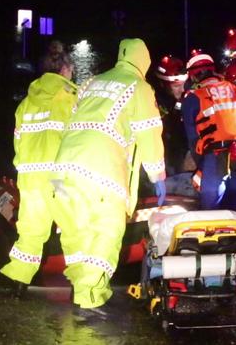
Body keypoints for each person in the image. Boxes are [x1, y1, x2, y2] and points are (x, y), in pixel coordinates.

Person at [52, 38, 166, 310]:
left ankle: (81, 288)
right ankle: (89, 298)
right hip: (100, 169)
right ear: (144, 62)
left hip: (62, 168)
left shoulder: (92, 82)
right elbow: (149, 134)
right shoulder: (139, 87)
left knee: (75, 230)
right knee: (106, 229)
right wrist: (157, 175)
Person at [0, 42, 78, 296]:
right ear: (65, 70)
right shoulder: (72, 98)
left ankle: (19, 283)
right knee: (74, 227)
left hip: (31, 177)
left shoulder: (26, 104)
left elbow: (18, 142)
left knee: (31, 231)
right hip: (60, 177)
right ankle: (83, 287)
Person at [181, 49, 236, 210]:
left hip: (215, 157)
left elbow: (193, 140)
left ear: (192, 76)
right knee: (235, 208)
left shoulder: (192, 98)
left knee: (211, 211)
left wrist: (201, 166)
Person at [154, 55, 190, 175]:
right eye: (176, 86)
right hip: (163, 157)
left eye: (184, 84)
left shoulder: (185, 98)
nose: (182, 89)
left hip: (181, 152)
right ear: (163, 84)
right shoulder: (154, 103)